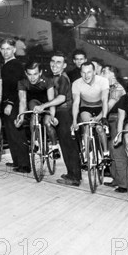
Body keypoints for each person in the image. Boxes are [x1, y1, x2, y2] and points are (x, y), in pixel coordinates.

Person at [47, 52, 82, 186]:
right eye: (53, 61)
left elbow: (60, 99)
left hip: (66, 113)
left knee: (69, 146)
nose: (54, 64)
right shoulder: (56, 78)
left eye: (58, 62)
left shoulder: (63, 78)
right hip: (61, 113)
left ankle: (74, 177)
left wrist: (44, 106)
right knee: (66, 145)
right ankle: (71, 173)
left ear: (64, 65)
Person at [71, 61, 112, 172]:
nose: (86, 76)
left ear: (94, 72)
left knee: (99, 128)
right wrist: (74, 121)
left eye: (89, 72)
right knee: (87, 125)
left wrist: (102, 117)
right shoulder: (76, 83)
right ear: (80, 73)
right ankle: (86, 156)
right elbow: (76, 103)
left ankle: (105, 153)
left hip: (100, 106)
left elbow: (104, 100)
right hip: (86, 107)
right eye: (83, 73)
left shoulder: (103, 81)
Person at [14, 62, 60, 159]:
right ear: (26, 74)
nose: (32, 78)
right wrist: (21, 118)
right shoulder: (22, 82)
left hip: (47, 104)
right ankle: (36, 142)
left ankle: (55, 147)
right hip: (34, 103)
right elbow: (22, 101)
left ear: (40, 73)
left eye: (35, 74)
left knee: (47, 123)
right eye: (30, 74)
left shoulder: (47, 80)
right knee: (34, 115)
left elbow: (51, 101)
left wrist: (52, 116)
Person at [0, 38, 29, 172]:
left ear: (14, 50)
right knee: (11, 133)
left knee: (17, 133)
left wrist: (10, 103)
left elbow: (16, 86)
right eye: (3, 49)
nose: (6, 52)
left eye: (8, 49)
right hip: (7, 102)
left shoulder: (15, 64)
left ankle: (24, 165)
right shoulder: (6, 65)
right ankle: (17, 161)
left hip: (14, 102)